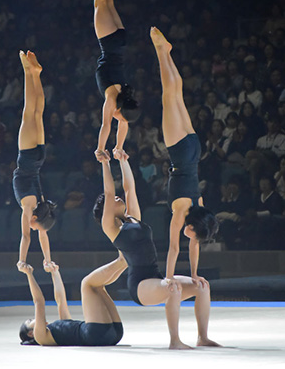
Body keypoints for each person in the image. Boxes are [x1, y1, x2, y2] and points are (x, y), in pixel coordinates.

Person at [93, 151, 220, 350]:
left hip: (156, 278)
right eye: (113, 200)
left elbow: (129, 189)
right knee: (174, 289)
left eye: (118, 198)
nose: (117, 198)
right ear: (106, 212)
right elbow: (109, 192)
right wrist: (105, 163)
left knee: (202, 287)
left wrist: (124, 161)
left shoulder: (132, 218)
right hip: (140, 285)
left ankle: (202, 337)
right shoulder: (111, 227)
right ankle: (174, 341)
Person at [150, 26, 219, 284]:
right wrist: (168, 279)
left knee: (177, 96)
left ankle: (167, 52)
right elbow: (174, 248)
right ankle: (160, 51)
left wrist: (193, 275)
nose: (192, 239)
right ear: (191, 227)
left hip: (193, 149)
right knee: (169, 96)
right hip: (179, 152)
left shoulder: (199, 207)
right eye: (194, 235)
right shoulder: (180, 213)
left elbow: (193, 245)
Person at [87, 0, 140, 163]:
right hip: (108, 42)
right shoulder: (111, 99)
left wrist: (118, 148)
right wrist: (100, 149)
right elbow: (106, 125)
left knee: (108, 1)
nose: (120, 121)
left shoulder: (125, 100)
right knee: (100, 1)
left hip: (120, 41)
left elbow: (119, 128)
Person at [12, 50, 57, 273]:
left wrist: (47, 259)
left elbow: (42, 234)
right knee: (29, 112)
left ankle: (37, 73)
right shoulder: (29, 206)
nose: (33, 225)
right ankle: (28, 72)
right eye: (35, 223)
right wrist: (22, 261)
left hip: (39, 157)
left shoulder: (41, 203)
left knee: (39, 113)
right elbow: (26, 236)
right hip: (28, 155)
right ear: (35, 217)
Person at [18, 257, 125, 346]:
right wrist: (29, 274)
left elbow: (61, 301)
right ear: (31, 333)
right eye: (29, 321)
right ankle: (122, 260)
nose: (34, 318)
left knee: (98, 286)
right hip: (95, 334)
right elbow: (39, 301)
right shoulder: (41, 337)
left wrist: (55, 273)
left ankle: (127, 261)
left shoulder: (57, 331)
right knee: (87, 283)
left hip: (113, 334)